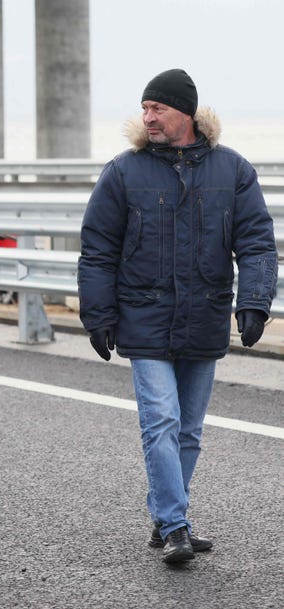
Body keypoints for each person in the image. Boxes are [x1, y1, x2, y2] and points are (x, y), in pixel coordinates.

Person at [77, 68, 278, 565]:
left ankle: (168, 517)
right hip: (143, 318)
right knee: (161, 421)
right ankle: (174, 525)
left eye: (157, 109)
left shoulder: (233, 171)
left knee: (188, 431)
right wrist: (98, 315)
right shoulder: (123, 171)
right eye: (144, 109)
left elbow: (256, 242)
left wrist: (253, 302)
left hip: (205, 316)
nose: (147, 118)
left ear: (185, 113)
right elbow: (98, 249)